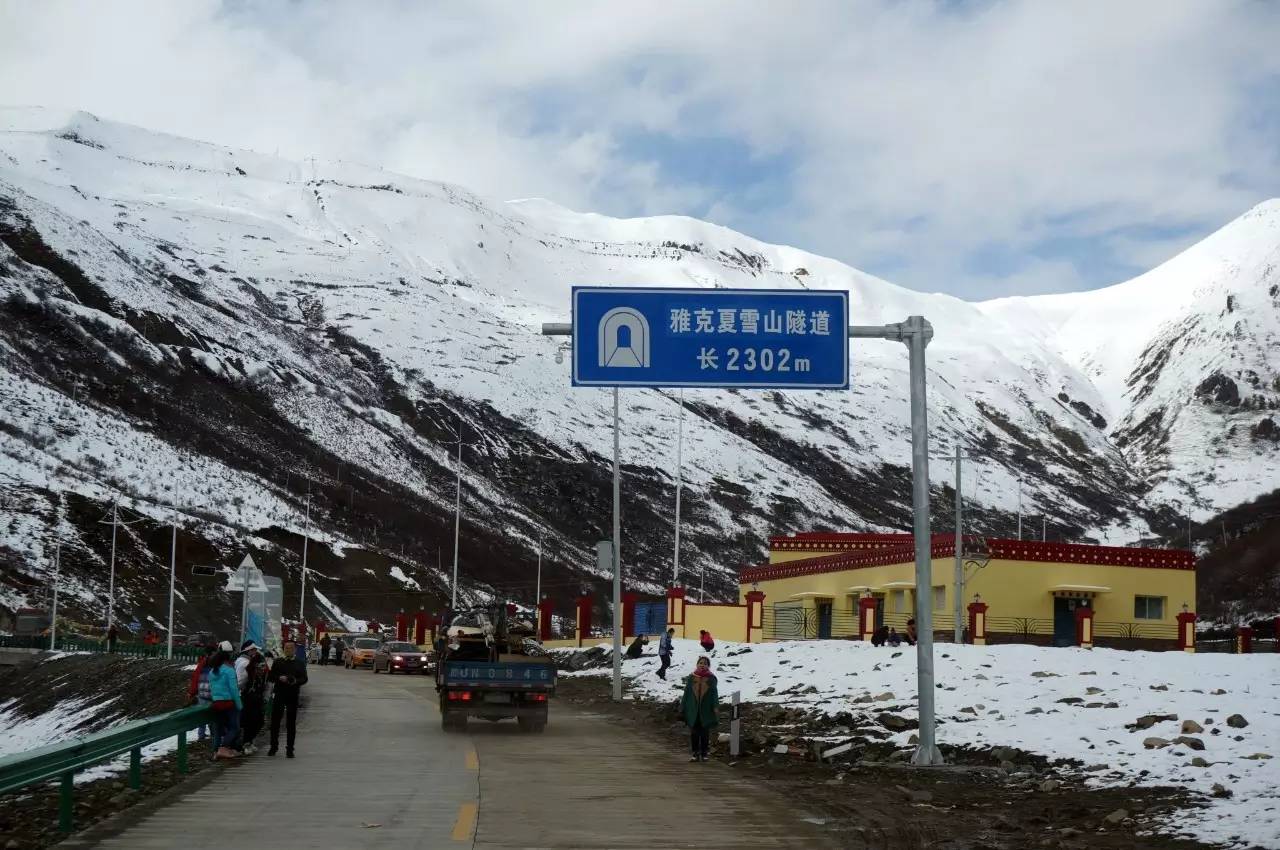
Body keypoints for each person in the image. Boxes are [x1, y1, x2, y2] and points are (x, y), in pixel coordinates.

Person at [269, 639, 308, 758]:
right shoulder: (278, 662)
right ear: (283, 649)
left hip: (293, 695)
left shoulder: (299, 663)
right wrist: (279, 678)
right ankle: (273, 746)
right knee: (275, 722)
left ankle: (290, 749)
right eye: (286, 648)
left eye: (291, 648)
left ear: (295, 649)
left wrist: (295, 681)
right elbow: (271, 677)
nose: (288, 650)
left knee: (291, 723)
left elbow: (304, 678)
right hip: (279, 694)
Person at [680, 656, 719, 762]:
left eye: (705, 663)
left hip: (706, 709)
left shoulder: (711, 678)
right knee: (694, 732)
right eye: (700, 663)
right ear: (697, 664)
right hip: (693, 709)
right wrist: (682, 706)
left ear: (708, 666)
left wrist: (715, 706)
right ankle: (695, 753)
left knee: (705, 732)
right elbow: (687, 693)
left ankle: (704, 753)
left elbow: (714, 693)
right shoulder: (692, 677)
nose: (702, 665)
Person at [207, 642, 242, 759]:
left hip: (216, 704)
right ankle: (224, 747)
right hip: (228, 703)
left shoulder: (212, 672)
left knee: (218, 729)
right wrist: (239, 705)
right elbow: (234, 690)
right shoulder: (229, 671)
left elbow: (211, 689)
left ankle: (215, 752)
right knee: (234, 728)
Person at [236, 641, 267, 754]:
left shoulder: (250, 662)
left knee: (256, 720)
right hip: (246, 696)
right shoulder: (243, 663)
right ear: (248, 651)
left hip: (253, 695)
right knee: (251, 720)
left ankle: (248, 741)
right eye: (253, 650)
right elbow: (241, 681)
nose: (255, 652)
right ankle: (246, 743)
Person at [188, 644, 216, 742]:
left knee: (203, 714)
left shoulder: (202, 663)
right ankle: (211, 734)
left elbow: (195, 678)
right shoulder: (215, 664)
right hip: (211, 694)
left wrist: (192, 692)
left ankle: (201, 735)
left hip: (202, 693)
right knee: (212, 715)